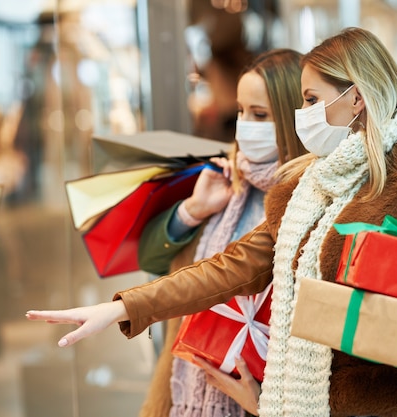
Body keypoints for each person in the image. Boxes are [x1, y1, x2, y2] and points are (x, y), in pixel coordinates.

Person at [27, 27, 397, 417]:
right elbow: (228, 269)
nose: (301, 114)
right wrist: (121, 309)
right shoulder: (305, 187)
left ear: (356, 98)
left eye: (311, 100)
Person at [140, 47, 306, 417]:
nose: (245, 124)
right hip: (184, 394)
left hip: (266, 400)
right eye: (241, 111)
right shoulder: (224, 181)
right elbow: (150, 257)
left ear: (296, 117)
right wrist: (193, 210)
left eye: (260, 114)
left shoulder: (310, 199)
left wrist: (266, 403)